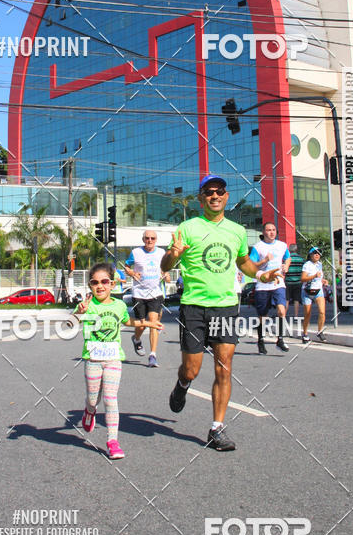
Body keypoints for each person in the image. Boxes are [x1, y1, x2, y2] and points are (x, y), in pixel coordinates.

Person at [161, 175, 280, 452]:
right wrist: (173, 255)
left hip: (226, 306)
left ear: (226, 197)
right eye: (209, 192)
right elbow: (166, 265)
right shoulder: (187, 228)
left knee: (224, 367)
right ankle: (182, 384)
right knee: (192, 369)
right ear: (201, 198)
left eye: (220, 191)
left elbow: (243, 263)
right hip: (193, 305)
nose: (215, 196)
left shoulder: (237, 231)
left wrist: (261, 275)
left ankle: (217, 429)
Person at [75, 262, 162, 460]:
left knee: (110, 398)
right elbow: (69, 323)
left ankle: (112, 441)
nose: (100, 286)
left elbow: (127, 321)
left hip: (113, 358)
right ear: (90, 285)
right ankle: (89, 412)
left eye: (105, 281)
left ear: (112, 284)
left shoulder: (119, 305)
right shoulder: (86, 306)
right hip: (93, 359)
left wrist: (148, 322)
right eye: (95, 282)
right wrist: (80, 312)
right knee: (92, 398)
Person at [124, 230, 167, 367]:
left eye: (152, 238)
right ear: (143, 239)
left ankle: (152, 355)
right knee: (142, 324)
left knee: (153, 322)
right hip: (139, 294)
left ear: (156, 240)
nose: (150, 240)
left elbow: (165, 267)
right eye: (147, 238)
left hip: (155, 293)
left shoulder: (161, 253)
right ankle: (136, 339)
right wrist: (131, 272)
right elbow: (126, 266)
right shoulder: (136, 252)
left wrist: (165, 274)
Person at [250, 222, 291, 354]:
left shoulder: (282, 245)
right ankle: (261, 340)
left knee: (281, 311)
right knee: (263, 316)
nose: (272, 232)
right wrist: (265, 260)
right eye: (269, 230)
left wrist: (286, 266)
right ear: (264, 232)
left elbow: (288, 258)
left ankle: (280, 339)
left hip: (278, 284)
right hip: (263, 285)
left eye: (274, 230)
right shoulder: (258, 247)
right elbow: (252, 265)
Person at [300, 247, 329, 343]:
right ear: (310, 255)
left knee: (322, 312)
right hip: (307, 292)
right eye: (315, 253)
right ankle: (304, 334)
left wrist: (323, 281)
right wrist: (314, 276)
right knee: (307, 314)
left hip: (318, 291)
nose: (317, 255)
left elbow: (318, 278)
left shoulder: (319, 265)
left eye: (319, 253)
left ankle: (320, 331)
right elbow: (303, 279)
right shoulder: (307, 265)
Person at [285, 243, 305, 319]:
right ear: (296, 249)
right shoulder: (301, 259)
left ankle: (283, 315)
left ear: (289, 250)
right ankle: (296, 316)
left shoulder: (287, 259)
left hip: (288, 282)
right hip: (298, 282)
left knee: (286, 299)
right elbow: (304, 270)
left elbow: (285, 270)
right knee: (296, 300)